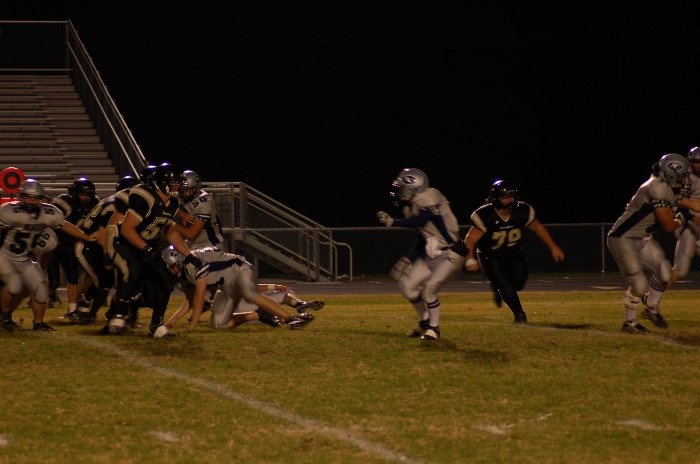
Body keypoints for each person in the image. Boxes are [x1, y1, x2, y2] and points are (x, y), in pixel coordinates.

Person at [101, 162, 205, 338]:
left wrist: (188, 254)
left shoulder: (172, 203)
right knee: (133, 271)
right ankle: (117, 315)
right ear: (161, 183)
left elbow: (169, 231)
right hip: (125, 243)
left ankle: (156, 324)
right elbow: (127, 229)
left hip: (147, 246)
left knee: (166, 278)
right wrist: (147, 248)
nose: (178, 187)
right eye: (174, 183)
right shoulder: (145, 197)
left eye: (179, 183)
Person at [376, 168, 467, 341]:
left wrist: (394, 222)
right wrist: (409, 258)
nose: (398, 192)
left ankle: (434, 329)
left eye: (401, 188)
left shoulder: (429, 195)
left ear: (411, 187)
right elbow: (423, 236)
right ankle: (424, 322)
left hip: (451, 251)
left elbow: (423, 220)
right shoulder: (410, 207)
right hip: (433, 252)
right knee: (406, 285)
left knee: (429, 290)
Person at [0, 180, 98, 332]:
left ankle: (39, 323)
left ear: (41, 199)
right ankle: (4, 318)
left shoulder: (48, 212)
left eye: (36, 198)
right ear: (22, 197)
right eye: (28, 198)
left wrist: (86, 237)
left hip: (25, 258)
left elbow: (64, 225)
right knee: (15, 284)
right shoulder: (9, 210)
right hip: (4, 256)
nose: (32, 201)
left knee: (41, 286)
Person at [607, 153, 689, 333]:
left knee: (665, 273)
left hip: (642, 239)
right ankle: (629, 323)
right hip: (623, 239)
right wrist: (680, 219)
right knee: (639, 285)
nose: (684, 179)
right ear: (671, 173)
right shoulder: (656, 188)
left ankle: (651, 308)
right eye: (682, 175)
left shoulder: (665, 186)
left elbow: (687, 204)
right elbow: (668, 226)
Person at [463, 180, 565, 324]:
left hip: (514, 253)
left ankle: (497, 287)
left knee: (518, 284)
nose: (509, 200)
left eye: (510, 196)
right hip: (490, 256)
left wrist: (553, 247)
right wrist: (469, 258)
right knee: (506, 286)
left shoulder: (522, 211)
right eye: (504, 197)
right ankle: (519, 315)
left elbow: (538, 228)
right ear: (496, 198)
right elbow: (470, 239)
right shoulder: (486, 215)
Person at [160, 246, 316, 331]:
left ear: (180, 260)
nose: (172, 270)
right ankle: (259, 315)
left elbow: (200, 298)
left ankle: (290, 318)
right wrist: (171, 322)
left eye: (174, 266)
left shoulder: (193, 264)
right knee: (218, 325)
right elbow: (190, 301)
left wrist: (192, 327)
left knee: (249, 294)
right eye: (170, 268)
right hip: (227, 286)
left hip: (239, 268)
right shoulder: (184, 275)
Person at [49, 177, 100, 318]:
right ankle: (46, 295)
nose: (86, 198)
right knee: (53, 281)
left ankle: (73, 309)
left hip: (74, 243)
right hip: (55, 243)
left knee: (73, 275)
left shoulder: (95, 203)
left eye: (89, 194)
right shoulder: (63, 202)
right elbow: (61, 224)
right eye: (83, 194)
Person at [668, 147, 700, 287]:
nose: (696, 165)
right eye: (694, 162)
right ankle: (650, 295)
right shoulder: (685, 178)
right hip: (689, 223)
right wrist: (689, 216)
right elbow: (674, 200)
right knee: (680, 270)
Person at [172, 170, 226, 251]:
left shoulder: (203, 202)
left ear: (194, 189)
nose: (182, 193)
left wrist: (170, 223)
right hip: (191, 244)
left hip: (209, 246)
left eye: (186, 190)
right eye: (181, 189)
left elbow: (191, 235)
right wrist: (182, 214)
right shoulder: (182, 197)